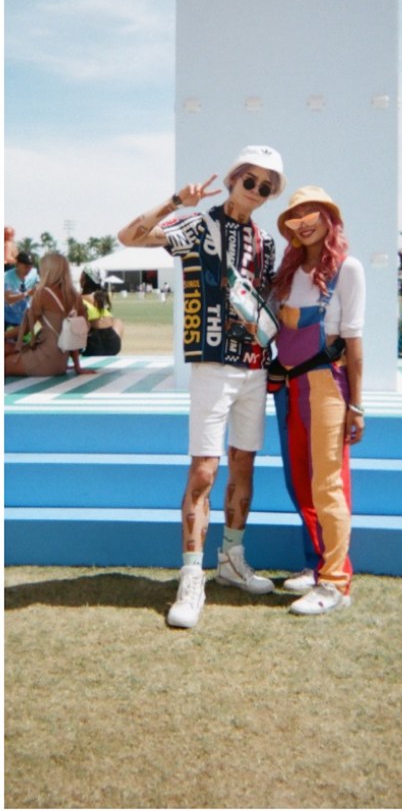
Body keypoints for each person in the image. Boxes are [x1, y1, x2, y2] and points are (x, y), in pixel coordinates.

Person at [117, 144, 285, 629]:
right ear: (233, 178)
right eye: (249, 180)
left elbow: (268, 303)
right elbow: (129, 237)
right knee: (205, 473)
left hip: (255, 367)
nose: (256, 191)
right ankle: (192, 576)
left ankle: (231, 560)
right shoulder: (198, 225)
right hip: (212, 365)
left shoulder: (267, 242)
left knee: (244, 468)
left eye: (266, 187)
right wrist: (175, 201)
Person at [269, 186, 365, 614]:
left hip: (327, 384)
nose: (303, 221)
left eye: (312, 212)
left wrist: (356, 405)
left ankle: (336, 582)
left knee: (328, 483)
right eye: (295, 215)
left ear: (329, 218)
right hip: (288, 387)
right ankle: (316, 563)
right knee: (300, 482)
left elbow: (354, 342)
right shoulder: (287, 273)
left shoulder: (348, 268)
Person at [4, 253, 92, 377]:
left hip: (43, 359)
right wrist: (77, 366)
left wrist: (4, 335)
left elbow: (25, 330)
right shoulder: (75, 295)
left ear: (47, 271)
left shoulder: (42, 294)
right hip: (61, 363)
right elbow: (76, 333)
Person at [79, 272, 124, 357]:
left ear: (83, 281)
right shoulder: (104, 297)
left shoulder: (78, 298)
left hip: (91, 346)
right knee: (117, 321)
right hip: (113, 344)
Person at [4, 252, 39, 336]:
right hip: (6, 318)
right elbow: (8, 299)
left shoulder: (34, 273)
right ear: (18, 264)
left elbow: (39, 286)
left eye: (30, 266)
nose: (28, 269)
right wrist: (27, 293)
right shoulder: (6, 277)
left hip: (24, 318)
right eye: (26, 266)